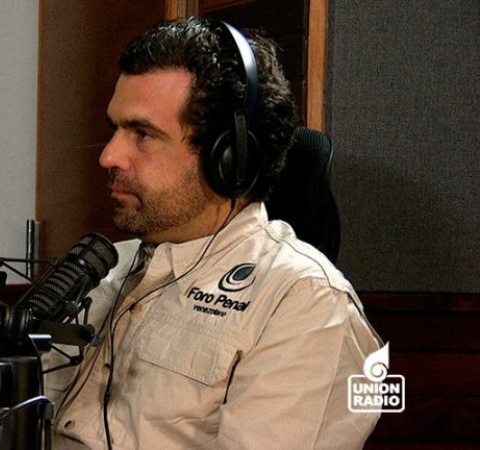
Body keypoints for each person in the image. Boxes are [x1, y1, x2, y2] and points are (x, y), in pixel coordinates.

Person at [44, 17, 382, 449]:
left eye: (143, 134)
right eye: (115, 130)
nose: (109, 156)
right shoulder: (105, 269)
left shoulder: (306, 305)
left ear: (229, 159)